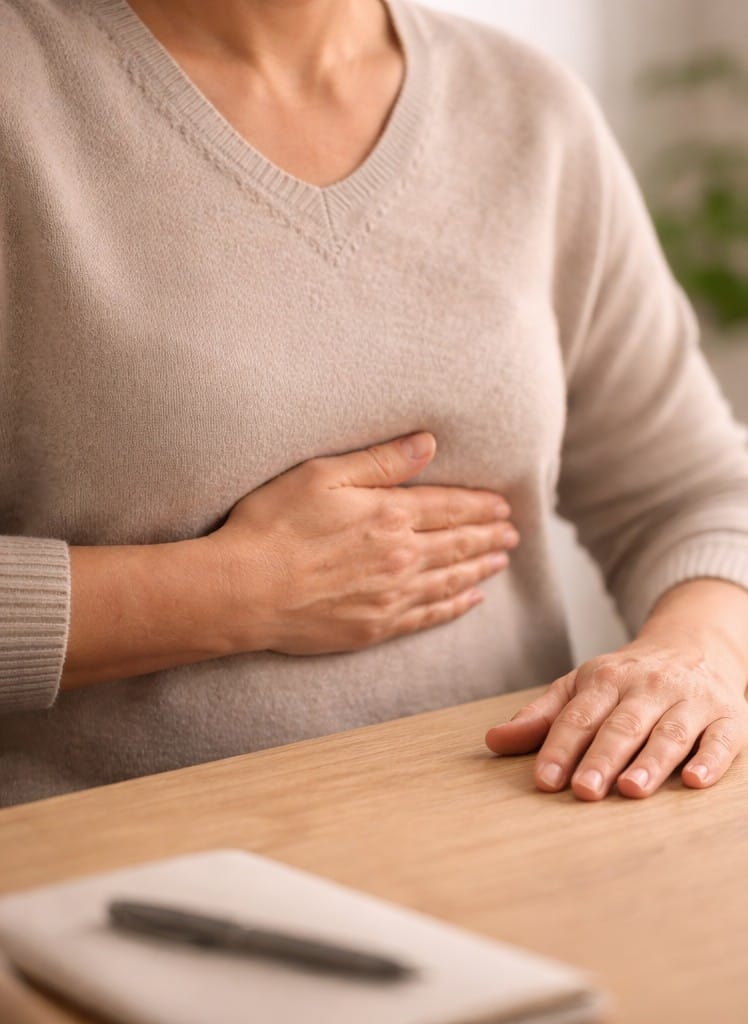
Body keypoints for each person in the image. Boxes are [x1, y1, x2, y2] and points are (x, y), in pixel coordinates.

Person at [1, 0, 746, 807]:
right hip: (112, 883)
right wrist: (234, 592)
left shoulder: (529, 107)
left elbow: (692, 490)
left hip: (516, 852)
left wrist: (695, 651)